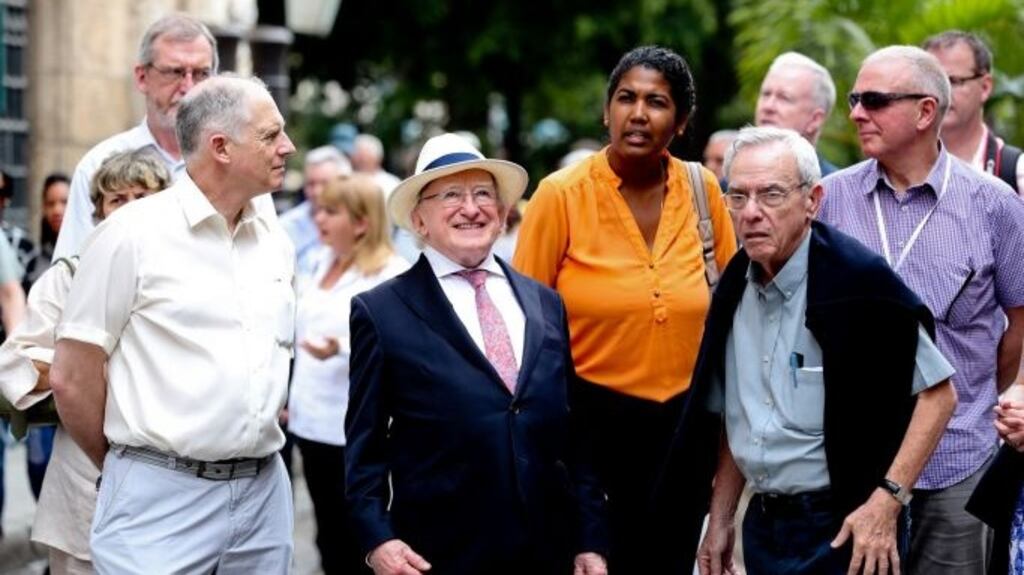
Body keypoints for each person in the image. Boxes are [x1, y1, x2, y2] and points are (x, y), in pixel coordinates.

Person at [671, 126, 956, 575]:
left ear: (812, 200)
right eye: (738, 196)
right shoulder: (734, 285)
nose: (752, 213)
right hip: (762, 522)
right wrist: (721, 516)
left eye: (771, 194)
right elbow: (735, 412)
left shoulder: (858, 280)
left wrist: (886, 501)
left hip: (845, 523)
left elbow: (940, 396)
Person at [49, 75, 297, 573]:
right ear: (220, 147)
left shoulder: (274, 240)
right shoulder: (129, 235)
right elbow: (71, 377)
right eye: (271, 135)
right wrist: (134, 468)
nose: (287, 147)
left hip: (264, 497)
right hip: (157, 500)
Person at [513, 45, 737, 572]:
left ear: (681, 121)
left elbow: (731, 303)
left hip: (686, 428)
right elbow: (526, 322)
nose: (638, 113)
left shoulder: (704, 190)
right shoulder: (561, 194)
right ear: (606, 110)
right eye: (625, 98)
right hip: (588, 428)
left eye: (657, 102)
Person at [345, 132, 609, 575]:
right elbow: (364, 446)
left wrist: (591, 539)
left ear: (503, 212)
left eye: (483, 193)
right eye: (451, 195)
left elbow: (574, 433)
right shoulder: (380, 312)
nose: (471, 208)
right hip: (439, 556)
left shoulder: (545, 302)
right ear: (419, 220)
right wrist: (378, 539)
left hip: (548, 551)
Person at [819, 45, 1024, 574]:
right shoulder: (832, 200)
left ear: (926, 111)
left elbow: (1019, 323)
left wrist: (981, 394)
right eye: (853, 99)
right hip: (855, 461)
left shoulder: (995, 204)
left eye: (875, 100)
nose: (857, 112)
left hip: (958, 461)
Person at [0, 148, 171, 574]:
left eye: (142, 198)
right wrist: (74, 368)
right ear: (98, 214)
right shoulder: (68, 277)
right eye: (118, 200)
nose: (131, 210)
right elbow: (14, 362)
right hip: (84, 482)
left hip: (171, 487)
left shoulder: (192, 278)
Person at [288, 174, 408, 574]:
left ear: (361, 222)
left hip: (352, 430)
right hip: (310, 422)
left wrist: (338, 348)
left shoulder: (390, 274)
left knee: (357, 538)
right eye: (319, 208)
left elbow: (400, 348)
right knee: (325, 534)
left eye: (331, 211)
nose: (318, 218)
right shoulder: (319, 261)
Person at [52, 13, 218, 259]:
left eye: (201, 74)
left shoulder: (233, 162)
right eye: (175, 72)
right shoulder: (98, 165)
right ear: (142, 77)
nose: (189, 87)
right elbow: (72, 270)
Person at [923, 30, 1024, 193]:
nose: (940, 93)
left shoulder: (1015, 172)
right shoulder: (898, 169)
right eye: (931, 82)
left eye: (954, 81)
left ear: (985, 87)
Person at [755, 52, 840, 175]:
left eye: (784, 98)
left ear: (815, 120)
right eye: (766, 94)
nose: (768, 106)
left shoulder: (837, 190)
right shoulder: (726, 187)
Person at [279, 145, 352, 280]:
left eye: (325, 183)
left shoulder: (358, 223)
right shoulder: (285, 226)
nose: (317, 191)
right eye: (311, 184)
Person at [351, 133, 402, 198]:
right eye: (359, 156)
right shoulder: (347, 181)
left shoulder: (391, 183)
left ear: (378, 159)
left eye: (366, 157)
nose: (362, 160)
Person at [38, 173, 70, 267]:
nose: (57, 210)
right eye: (50, 204)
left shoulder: (87, 254)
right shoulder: (33, 263)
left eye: (65, 202)